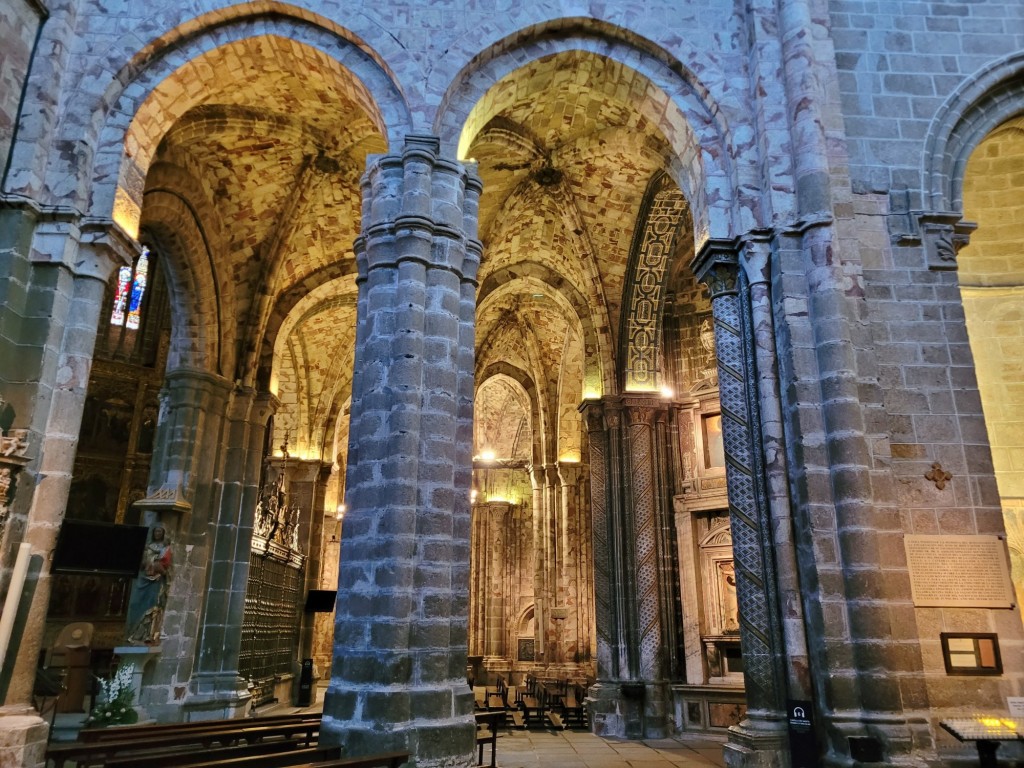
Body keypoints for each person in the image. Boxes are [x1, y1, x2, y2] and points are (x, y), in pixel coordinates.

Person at [125, 524, 172, 645]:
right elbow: (141, 563)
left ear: (163, 533)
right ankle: (134, 633)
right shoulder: (147, 547)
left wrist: (160, 567)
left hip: (156, 580)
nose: (157, 533)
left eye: (160, 531)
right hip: (144, 577)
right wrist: (148, 561)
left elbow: (166, 566)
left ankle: (149, 634)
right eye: (156, 531)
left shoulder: (166, 548)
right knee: (137, 603)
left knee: (154, 605)